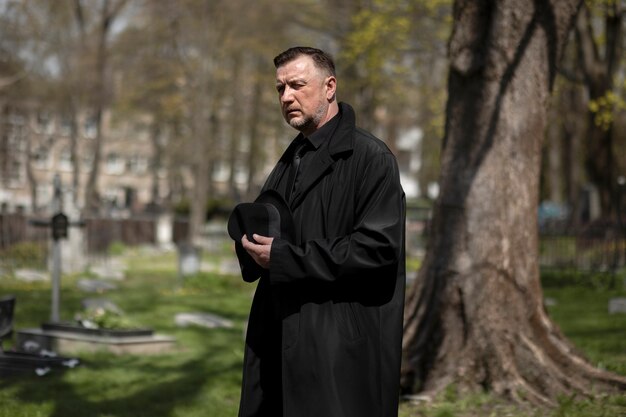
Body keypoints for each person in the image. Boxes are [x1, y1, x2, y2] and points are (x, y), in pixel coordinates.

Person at [234, 46, 406, 417]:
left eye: (297, 85)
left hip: (337, 347)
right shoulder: (290, 159)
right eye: (280, 88)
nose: (287, 97)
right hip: (279, 335)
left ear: (329, 87)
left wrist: (282, 258)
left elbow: (376, 248)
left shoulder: (370, 158)